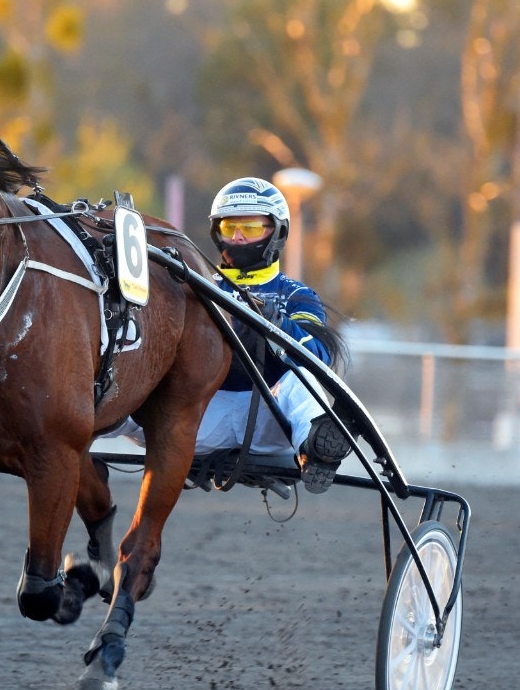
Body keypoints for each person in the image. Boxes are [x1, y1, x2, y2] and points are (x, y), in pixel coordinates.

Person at [105, 176, 352, 493]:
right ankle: (76, 426)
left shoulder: (295, 295)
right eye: (228, 228)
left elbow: (319, 356)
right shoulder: (194, 286)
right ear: (216, 232)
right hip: (198, 417)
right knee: (122, 387)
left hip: (271, 421)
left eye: (250, 228)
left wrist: (275, 324)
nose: (237, 237)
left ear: (277, 232)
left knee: (296, 380)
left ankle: (317, 446)